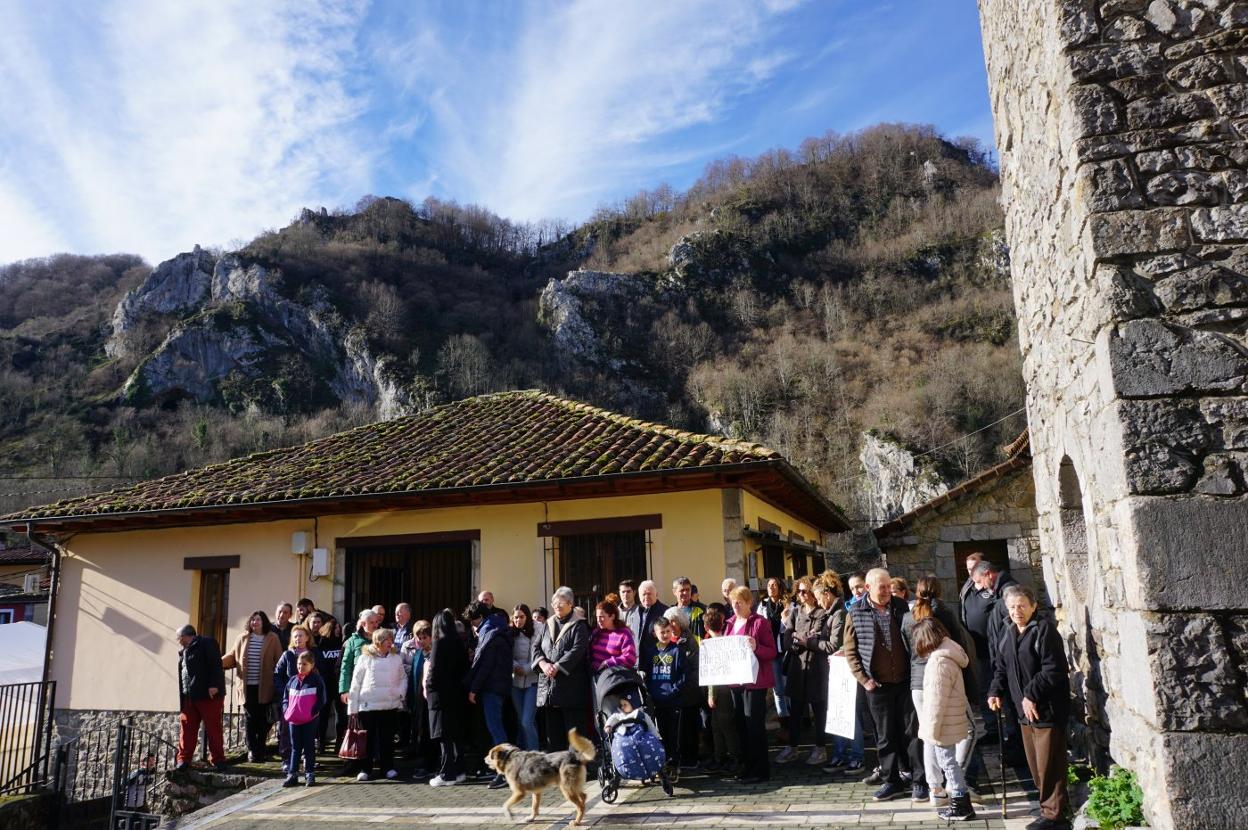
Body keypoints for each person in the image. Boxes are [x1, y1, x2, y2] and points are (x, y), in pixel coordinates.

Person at [989, 586, 1070, 830]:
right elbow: (1002, 667)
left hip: (1046, 709)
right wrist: (995, 690)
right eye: (1012, 606)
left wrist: (1031, 694)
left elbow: (1053, 669)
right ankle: (1047, 808)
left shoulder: (1044, 630)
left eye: (1022, 605)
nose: (1016, 611)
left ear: (1033, 606)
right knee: (1035, 765)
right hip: (1023, 711)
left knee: (1049, 764)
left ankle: (1055, 816)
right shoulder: (1009, 630)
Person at [902, 575, 978, 804]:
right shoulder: (943, 613)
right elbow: (959, 646)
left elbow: (908, 649)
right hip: (942, 677)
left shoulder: (907, 617)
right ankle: (957, 781)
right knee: (970, 730)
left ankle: (935, 789)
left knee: (929, 734)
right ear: (939, 591)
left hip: (917, 682)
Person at [843, 568, 912, 801]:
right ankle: (891, 781)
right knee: (885, 736)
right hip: (877, 686)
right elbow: (850, 651)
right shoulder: (855, 611)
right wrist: (864, 680)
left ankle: (914, 776)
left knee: (910, 733)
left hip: (904, 682)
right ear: (868, 588)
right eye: (881, 587)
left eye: (888, 586)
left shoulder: (901, 607)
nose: (886, 591)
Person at [913, 618, 976, 822]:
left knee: (948, 764)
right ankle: (961, 802)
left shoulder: (938, 662)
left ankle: (960, 804)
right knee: (950, 763)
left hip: (943, 723)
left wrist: (930, 730)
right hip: (951, 718)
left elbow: (935, 701)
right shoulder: (950, 653)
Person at [726, 584, 777, 783]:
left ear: (749, 602)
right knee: (741, 724)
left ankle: (760, 770)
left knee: (754, 725)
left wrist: (756, 647)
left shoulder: (760, 623)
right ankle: (746, 767)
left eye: (739, 601)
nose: (736, 605)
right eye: (733, 602)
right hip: (735, 681)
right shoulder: (730, 623)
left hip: (755, 682)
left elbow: (771, 652)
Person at [777, 577, 829, 767]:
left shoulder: (822, 613)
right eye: (799, 591)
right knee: (796, 710)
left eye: (805, 591)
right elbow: (787, 637)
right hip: (797, 668)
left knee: (819, 709)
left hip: (816, 668)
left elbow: (817, 636)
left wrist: (802, 639)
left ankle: (820, 747)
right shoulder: (795, 612)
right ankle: (792, 746)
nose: (801, 595)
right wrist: (798, 641)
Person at [532, 586, 591, 751]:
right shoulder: (547, 624)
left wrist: (558, 666)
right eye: (554, 603)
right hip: (550, 689)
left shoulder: (579, 625)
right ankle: (557, 772)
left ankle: (579, 771)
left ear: (570, 604)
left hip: (571, 689)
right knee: (554, 737)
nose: (556, 606)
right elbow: (535, 647)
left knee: (575, 736)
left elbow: (577, 650)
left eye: (561, 603)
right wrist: (543, 664)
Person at [222, 610, 283, 763]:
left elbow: (279, 660)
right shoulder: (242, 638)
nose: (255, 622)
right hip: (246, 686)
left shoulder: (272, 638)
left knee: (263, 719)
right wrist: (216, 662)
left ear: (264, 622)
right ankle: (252, 749)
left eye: (258, 620)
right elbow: (232, 656)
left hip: (265, 686)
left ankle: (260, 748)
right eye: (253, 620)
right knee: (250, 718)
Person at [817, 578, 864, 774]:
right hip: (835, 669)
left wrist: (842, 649)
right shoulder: (831, 612)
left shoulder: (842, 613)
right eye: (852, 588)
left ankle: (856, 756)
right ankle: (840, 754)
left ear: (827, 595)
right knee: (837, 713)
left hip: (847, 669)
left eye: (819, 598)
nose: (818, 602)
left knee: (851, 714)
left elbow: (843, 641)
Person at [465, 600, 513, 789]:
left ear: (481, 618)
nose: (473, 626)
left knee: (496, 729)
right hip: (498, 685)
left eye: (474, 622)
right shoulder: (498, 628)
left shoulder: (490, 633)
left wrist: (473, 688)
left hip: (491, 687)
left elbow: (485, 665)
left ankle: (505, 770)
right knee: (497, 728)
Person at [174, 624, 226, 771]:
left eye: (179, 637)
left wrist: (214, 685)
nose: (178, 641)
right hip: (189, 696)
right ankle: (183, 759)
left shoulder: (206, 643)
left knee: (213, 727)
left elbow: (216, 664)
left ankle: (218, 759)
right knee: (187, 727)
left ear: (185, 636)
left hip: (207, 694)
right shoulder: (184, 651)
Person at [426, 609, 469, 786]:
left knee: (444, 736)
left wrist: (428, 687)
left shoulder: (439, 643)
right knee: (456, 734)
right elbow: (465, 669)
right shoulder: (459, 642)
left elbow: (433, 670)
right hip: (457, 695)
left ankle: (446, 773)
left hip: (440, 696)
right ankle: (459, 770)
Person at [647, 617, 692, 773]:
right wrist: (651, 692)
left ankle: (675, 761)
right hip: (657, 701)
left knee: (674, 733)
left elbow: (684, 676)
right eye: (662, 632)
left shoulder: (677, 650)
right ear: (655, 633)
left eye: (667, 631)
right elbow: (647, 675)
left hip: (673, 700)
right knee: (662, 732)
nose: (665, 635)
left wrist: (674, 690)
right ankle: (664, 760)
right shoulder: (651, 652)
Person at [700, 606, 740, 773]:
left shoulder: (713, 645)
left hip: (720, 691)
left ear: (706, 627)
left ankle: (734, 758)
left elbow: (712, 674)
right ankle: (720, 757)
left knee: (725, 726)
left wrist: (711, 694)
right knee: (717, 726)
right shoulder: (724, 641)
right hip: (725, 690)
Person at [281, 650, 326, 788]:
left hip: (309, 720)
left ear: (311, 665)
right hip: (294, 720)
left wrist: (313, 712)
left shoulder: (316, 680)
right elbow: (285, 698)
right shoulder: (292, 680)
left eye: (304, 664)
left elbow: (322, 699)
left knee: (308, 747)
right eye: (299, 664)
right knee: (295, 747)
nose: (301, 667)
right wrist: (286, 710)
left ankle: (309, 773)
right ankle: (292, 774)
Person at [274, 625, 312, 770]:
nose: (298, 638)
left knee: (308, 731)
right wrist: (285, 692)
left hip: (308, 698)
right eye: (295, 636)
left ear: (307, 637)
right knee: (286, 730)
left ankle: (307, 759)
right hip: (291, 699)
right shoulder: (287, 655)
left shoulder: (313, 654)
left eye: (301, 635)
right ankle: (287, 760)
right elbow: (277, 675)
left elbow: (320, 674)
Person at [402, 620, 437, 774]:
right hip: (417, 698)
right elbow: (413, 678)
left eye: (425, 638)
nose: (421, 641)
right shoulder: (417, 654)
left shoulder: (435, 654)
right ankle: (422, 761)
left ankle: (430, 762)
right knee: (419, 731)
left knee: (429, 732)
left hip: (430, 699)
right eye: (419, 638)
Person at [756, 577, 791, 725]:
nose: (771, 587)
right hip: (772, 651)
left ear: (780, 587)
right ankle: (784, 720)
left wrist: (784, 619)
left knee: (789, 686)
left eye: (774, 585)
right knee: (778, 688)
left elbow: (792, 625)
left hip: (786, 649)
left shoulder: (788, 603)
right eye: (769, 585)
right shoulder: (763, 605)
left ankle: (795, 716)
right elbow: (758, 626)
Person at [509, 604, 541, 751]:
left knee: (527, 721)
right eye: (515, 617)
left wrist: (527, 668)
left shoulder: (538, 630)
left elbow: (541, 654)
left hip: (533, 680)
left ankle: (534, 754)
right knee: (522, 721)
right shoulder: (510, 633)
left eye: (521, 617)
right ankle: (527, 753)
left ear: (527, 617)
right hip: (515, 681)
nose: (518, 620)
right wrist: (515, 666)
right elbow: (506, 653)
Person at [339, 610, 381, 707]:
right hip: (359, 689)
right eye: (371, 622)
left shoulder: (382, 639)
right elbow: (346, 667)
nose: (375, 625)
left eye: (376, 622)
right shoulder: (352, 642)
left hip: (378, 689)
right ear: (363, 624)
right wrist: (344, 690)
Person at [626, 580, 668, 674]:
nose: (646, 597)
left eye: (649, 594)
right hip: (636, 665)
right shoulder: (634, 612)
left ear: (656, 594)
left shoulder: (665, 612)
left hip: (658, 663)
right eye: (643, 594)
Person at [589, 600, 637, 672]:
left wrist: (608, 663)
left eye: (602, 617)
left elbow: (630, 658)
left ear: (612, 616)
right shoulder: (596, 632)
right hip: (594, 678)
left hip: (613, 679)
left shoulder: (623, 634)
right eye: (597, 617)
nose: (598, 620)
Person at [670, 577, 706, 641]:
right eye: (682, 590)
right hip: (677, 649)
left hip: (698, 649)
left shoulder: (703, 609)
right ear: (674, 592)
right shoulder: (670, 613)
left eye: (687, 590)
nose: (685, 593)